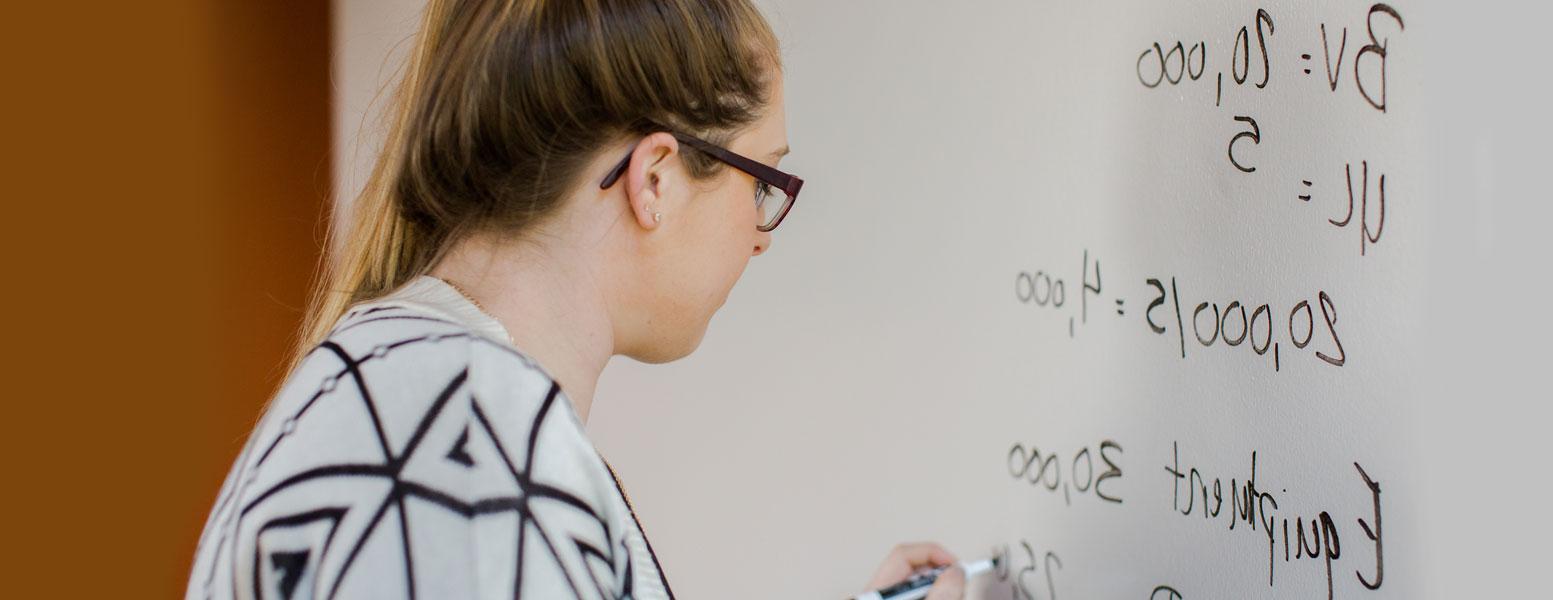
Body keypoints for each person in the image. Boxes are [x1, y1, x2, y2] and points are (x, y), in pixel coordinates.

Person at [186, 0, 968, 598]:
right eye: (761, 181)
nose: (761, 235)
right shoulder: (463, 452)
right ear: (655, 179)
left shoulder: (426, 400)